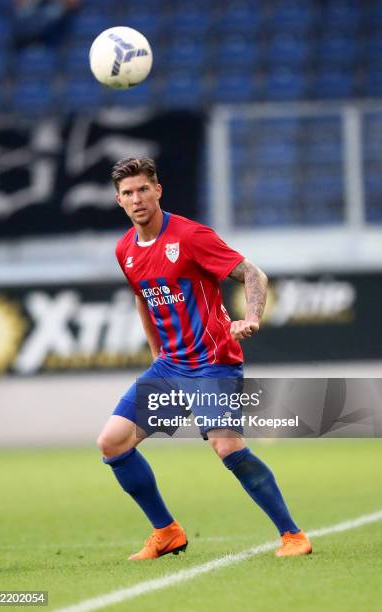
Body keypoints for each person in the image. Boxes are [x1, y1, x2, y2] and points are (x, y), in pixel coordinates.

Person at [97, 157, 312, 560]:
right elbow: (144, 299)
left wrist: (250, 318)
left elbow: (253, 274)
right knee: (112, 442)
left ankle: (292, 535)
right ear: (119, 201)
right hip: (170, 367)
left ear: (158, 190)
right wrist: (157, 356)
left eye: (144, 189)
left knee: (227, 448)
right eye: (128, 193)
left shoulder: (192, 236)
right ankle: (167, 532)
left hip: (213, 363)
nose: (137, 198)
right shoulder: (125, 249)